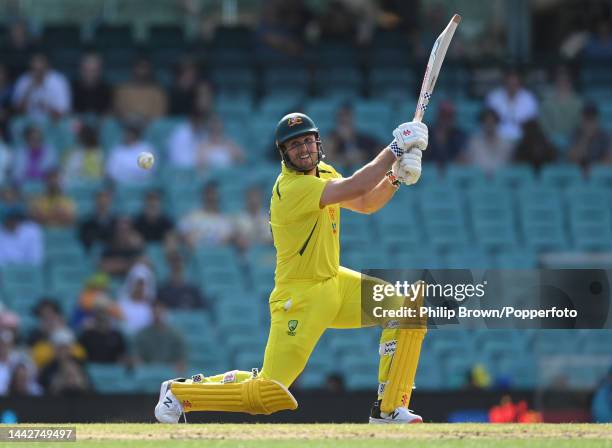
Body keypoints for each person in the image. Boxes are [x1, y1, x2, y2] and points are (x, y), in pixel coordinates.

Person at [155, 112, 429, 424]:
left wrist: (395, 178)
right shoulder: (291, 189)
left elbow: (365, 203)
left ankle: (389, 410)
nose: (303, 149)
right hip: (300, 296)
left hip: (334, 283)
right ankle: (179, 393)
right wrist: (395, 149)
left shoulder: (323, 172)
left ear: (318, 143)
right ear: (284, 154)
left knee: (406, 312)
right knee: (267, 393)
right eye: (294, 145)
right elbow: (356, 185)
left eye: (307, 141)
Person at [12, 52, 71, 120]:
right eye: (35, 66)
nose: (37, 67)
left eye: (40, 64)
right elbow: (17, 111)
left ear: (47, 65)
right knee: (16, 123)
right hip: (28, 120)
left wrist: (46, 107)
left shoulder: (58, 81)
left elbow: (64, 112)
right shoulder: (24, 80)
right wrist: (29, 89)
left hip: (51, 121)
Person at [133, 301, 186, 374]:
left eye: (160, 312)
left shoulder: (175, 335)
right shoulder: (142, 334)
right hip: (148, 372)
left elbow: (181, 360)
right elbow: (137, 358)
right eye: (155, 312)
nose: (157, 316)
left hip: (169, 373)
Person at [485, 68, 538, 142]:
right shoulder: (493, 97)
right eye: (509, 83)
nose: (512, 86)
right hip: (498, 137)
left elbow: (531, 122)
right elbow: (489, 121)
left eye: (515, 83)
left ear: (520, 83)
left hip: (523, 138)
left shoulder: (529, 98)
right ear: (504, 82)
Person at [178, 182, 233, 248]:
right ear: (203, 196)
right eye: (208, 194)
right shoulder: (192, 216)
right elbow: (182, 235)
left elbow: (225, 242)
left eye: (214, 194)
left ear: (219, 197)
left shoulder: (225, 220)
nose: (211, 197)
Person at [461, 108, 514, 175]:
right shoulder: (473, 142)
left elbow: (510, 167)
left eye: (492, 122)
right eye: (486, 122)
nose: (489, 125)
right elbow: (467, 164)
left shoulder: (507, 143)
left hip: (501, 181)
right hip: (477, 181)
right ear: (482, 124)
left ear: (497, 123)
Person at [106, 121, 156, 185]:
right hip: (121, 185)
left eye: (130, 134)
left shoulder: (146, 148)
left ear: (135, 135)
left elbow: (149, 171)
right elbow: (111, 172)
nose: (127, 136)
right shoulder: (117, 151)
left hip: (142, 184)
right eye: (126, 134)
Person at [567, 103, 612, 167]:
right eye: (587, 119)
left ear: (597, 119)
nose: (589, 122)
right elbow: (572, 158)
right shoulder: (575, 133)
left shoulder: (605, 135)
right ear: (582, 119)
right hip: (579, 170)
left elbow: (609, 159)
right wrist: (586, 137)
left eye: (592, 119)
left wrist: (593, 168)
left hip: (599, 171)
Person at [233, 185, 274, 251]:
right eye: (251, 197)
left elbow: (271, 239)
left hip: (266, 252)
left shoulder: (267, 217)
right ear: (247, 199)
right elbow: (239, 240)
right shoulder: (240, 218)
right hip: (247, 252)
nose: (253, 200)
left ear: (260, 199)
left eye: (256, 197)